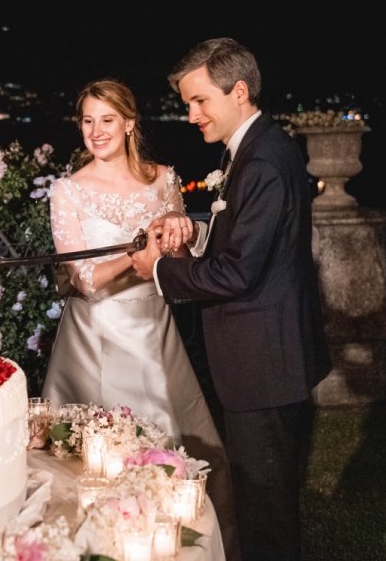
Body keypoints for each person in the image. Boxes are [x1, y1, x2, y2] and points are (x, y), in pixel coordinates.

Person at [131, 37, 332, 561]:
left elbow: (240, 272)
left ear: (238, 91)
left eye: (200, 101)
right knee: (260, 501)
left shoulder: (264, 160)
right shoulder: (251, 149)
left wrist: (159, 269)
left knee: (266, 512)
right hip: (261, 359)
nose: (192, 115)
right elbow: (244, 241)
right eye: (188, 105)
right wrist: (195, 234)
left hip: (264, 363)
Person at [40, 78, 239, 558]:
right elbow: (83, 279)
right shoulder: (68, 190)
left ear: (129, 124)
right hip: (95, 337)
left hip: (156, 330)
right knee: (90, 461)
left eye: (107, 120)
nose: (96, 130)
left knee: (174, 440)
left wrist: (181, 233)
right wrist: (136, 257)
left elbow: (178, 255)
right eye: (87, 121)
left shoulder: (164, 178)